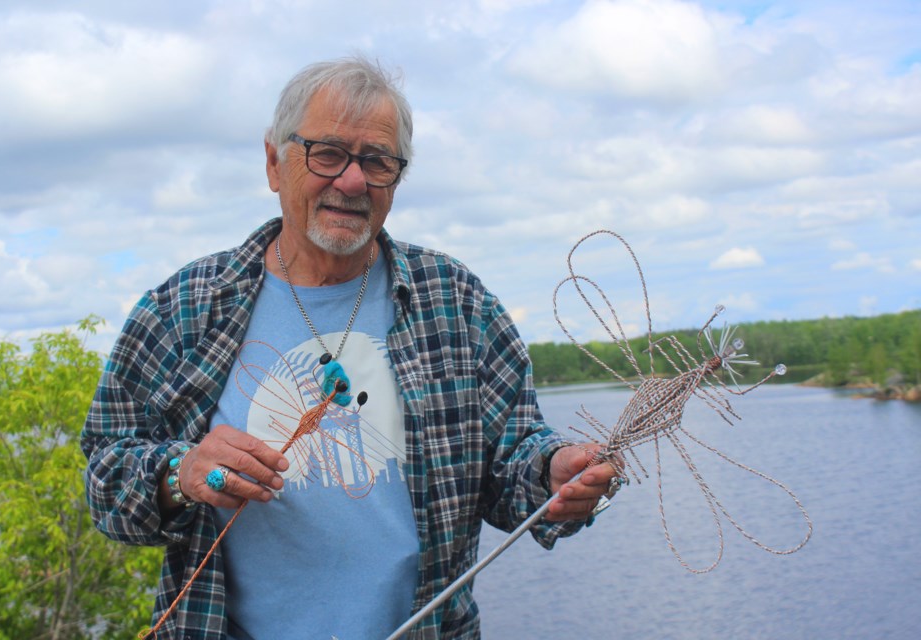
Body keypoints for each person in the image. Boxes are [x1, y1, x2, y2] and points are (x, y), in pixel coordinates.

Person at [81, 56, 620, 640]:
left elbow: (515, 463)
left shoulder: (458, 303)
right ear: (272, 162)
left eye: (377, 161)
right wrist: (177, 473)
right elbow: (105, 478)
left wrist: (551, 475)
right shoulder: (180, 310)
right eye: (328, 153)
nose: (353, 180)